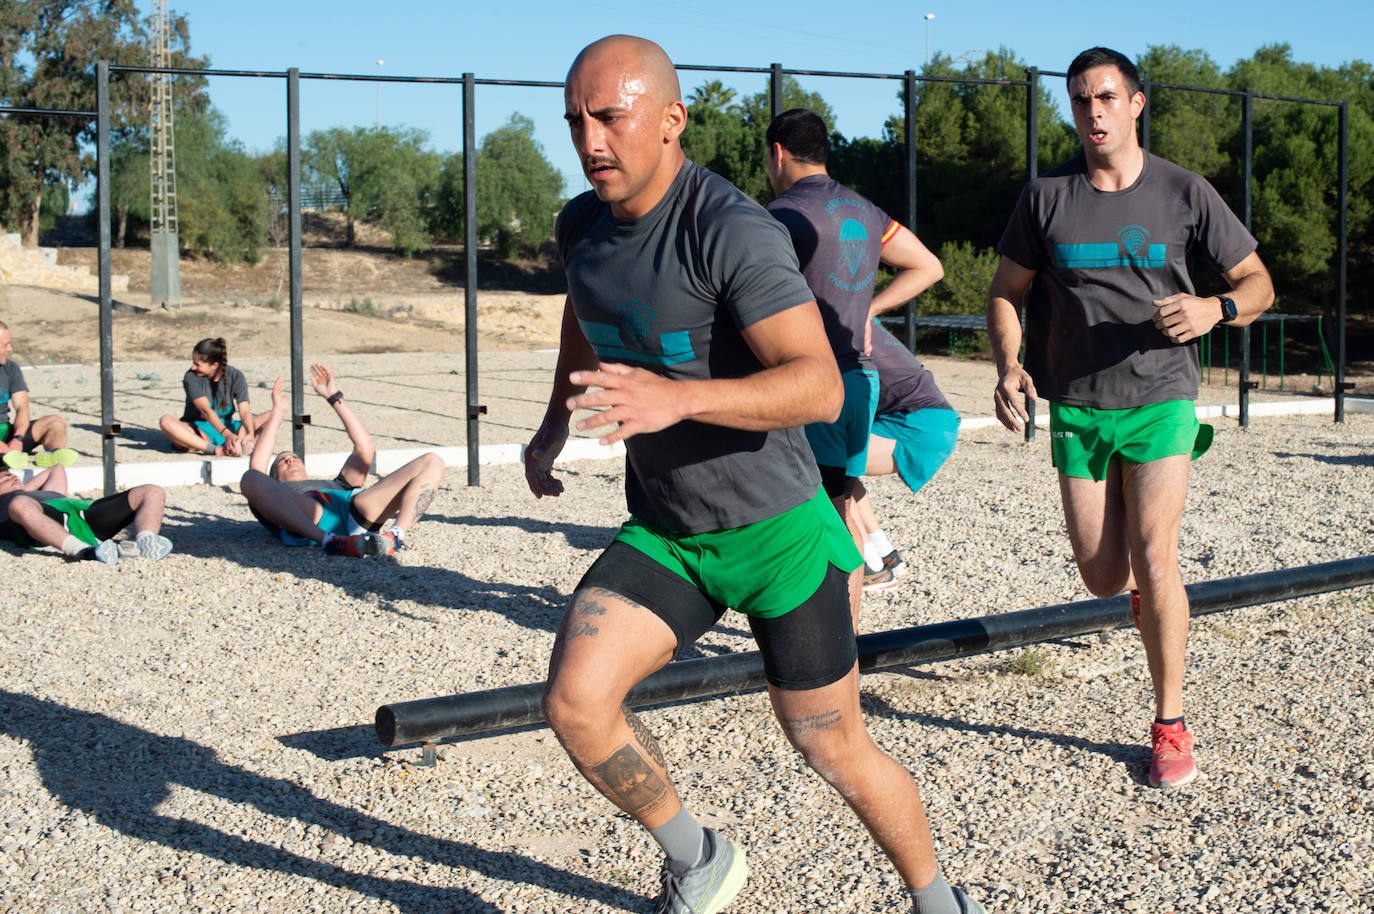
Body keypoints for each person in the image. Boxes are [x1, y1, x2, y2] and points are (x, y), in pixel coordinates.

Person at [524, 35, 982, 914]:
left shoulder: (732, 230)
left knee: (830, 746)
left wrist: (679, 400)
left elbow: (814, 385)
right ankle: (700, 860)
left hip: (779, 537)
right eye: (576, 121)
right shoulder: (582, 225)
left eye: (609, 118)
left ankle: (936, 899)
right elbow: (586, 313)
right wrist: (553, 422)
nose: (590, 141)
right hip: (669, 531)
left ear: (670, 120)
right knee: (577, 704)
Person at [987, 47, 1274, 788]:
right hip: (1079, 407)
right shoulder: (1046, 198)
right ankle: (1145, 593)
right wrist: (1008, 365)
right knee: (1100, 575)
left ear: (1136, 103)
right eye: (1082, 100)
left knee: (1156, 554)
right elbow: (1004, 292)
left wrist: (1217, 307)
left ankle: (1170, 723)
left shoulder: (1184, 192)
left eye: (1108, 98)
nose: (1094, 113)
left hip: (1161, 399)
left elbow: (1257, 282)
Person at [763, 108, 944, 625]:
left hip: (806, 384)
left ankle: (830, 653)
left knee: (818, 524)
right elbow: (928, 265)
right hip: (857, 382)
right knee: (840, 509)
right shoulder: (864, 211)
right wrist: (871, 308)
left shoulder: (780, 215)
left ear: (777, 154)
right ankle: (845, 649)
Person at [239, 363, 443, 557]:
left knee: (432, 461)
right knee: (250, 477)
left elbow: (365, 449)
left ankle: (396, 535)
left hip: (353, 510)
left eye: (294, 457)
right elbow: (257, 469)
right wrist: (277, 413)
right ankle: (330, 541)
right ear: (274, 476)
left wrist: (334, 397)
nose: (291, 460)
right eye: (283, 460)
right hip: (310, 515)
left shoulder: (336, 484)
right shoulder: (279, 491)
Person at [854, 321, 960, 593]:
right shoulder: (856, 311)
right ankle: (885, 554)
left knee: (824, 465)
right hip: (933, 418)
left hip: (917, 424)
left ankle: (869, 568)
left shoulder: (833, 318)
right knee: (845, 468)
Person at [0, 463, 173, 564]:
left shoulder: (41, 493)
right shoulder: (11, 501)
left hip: (85, 514)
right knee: (19, 503)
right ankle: (84, 552)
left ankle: (146, 542)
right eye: (5, 478)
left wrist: (22, 488)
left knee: (152, 491)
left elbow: (57, 468)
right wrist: (15, 493)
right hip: (47, 521)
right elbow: (21, 506)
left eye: (13, 476)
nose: (13, 478)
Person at [159, 338, 268, 456]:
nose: (193, 367)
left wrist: (249, 432)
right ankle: (217, 449)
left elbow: (245, 410)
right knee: (166, 422)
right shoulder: (191, 377)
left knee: (273, 415)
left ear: (214, 365)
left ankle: (243, 443)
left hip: (229, 426)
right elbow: (206, 411)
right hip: (198, 430)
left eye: (197, 364)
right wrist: (227, 435)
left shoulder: (236, 375)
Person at [0, 320, 77, 469]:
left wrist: (18, 438)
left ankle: (53, 456)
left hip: (6, 433)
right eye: (5, 345)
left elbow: (22, 407)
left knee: (56, 423)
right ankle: (6, 460)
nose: (10, 349)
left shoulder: (10, 368)